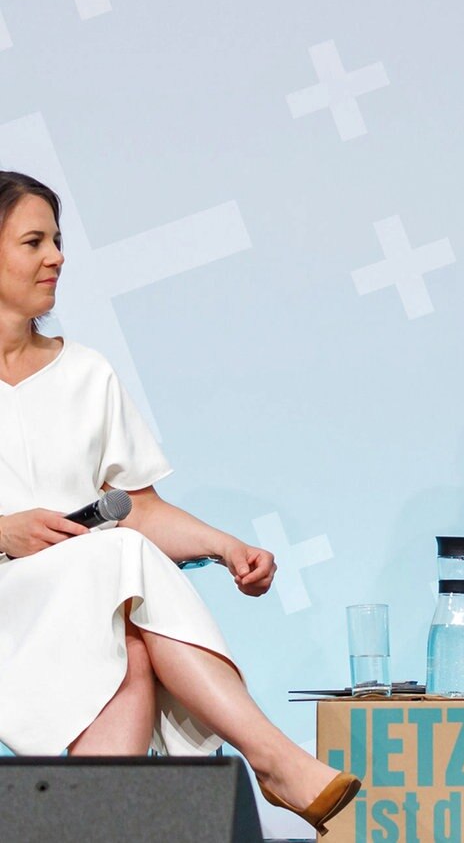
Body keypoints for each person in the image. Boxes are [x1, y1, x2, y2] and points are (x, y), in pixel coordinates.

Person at [0, 171, 360, 835]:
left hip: (80, 596)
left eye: (57, 239)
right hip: (7, 609)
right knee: (119, 568)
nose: (56, 257)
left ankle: (93, 827)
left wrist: (226, 546)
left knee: (129, 645)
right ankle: (273, 756)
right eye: (34, 241)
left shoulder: (85, 372)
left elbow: (134, 507)